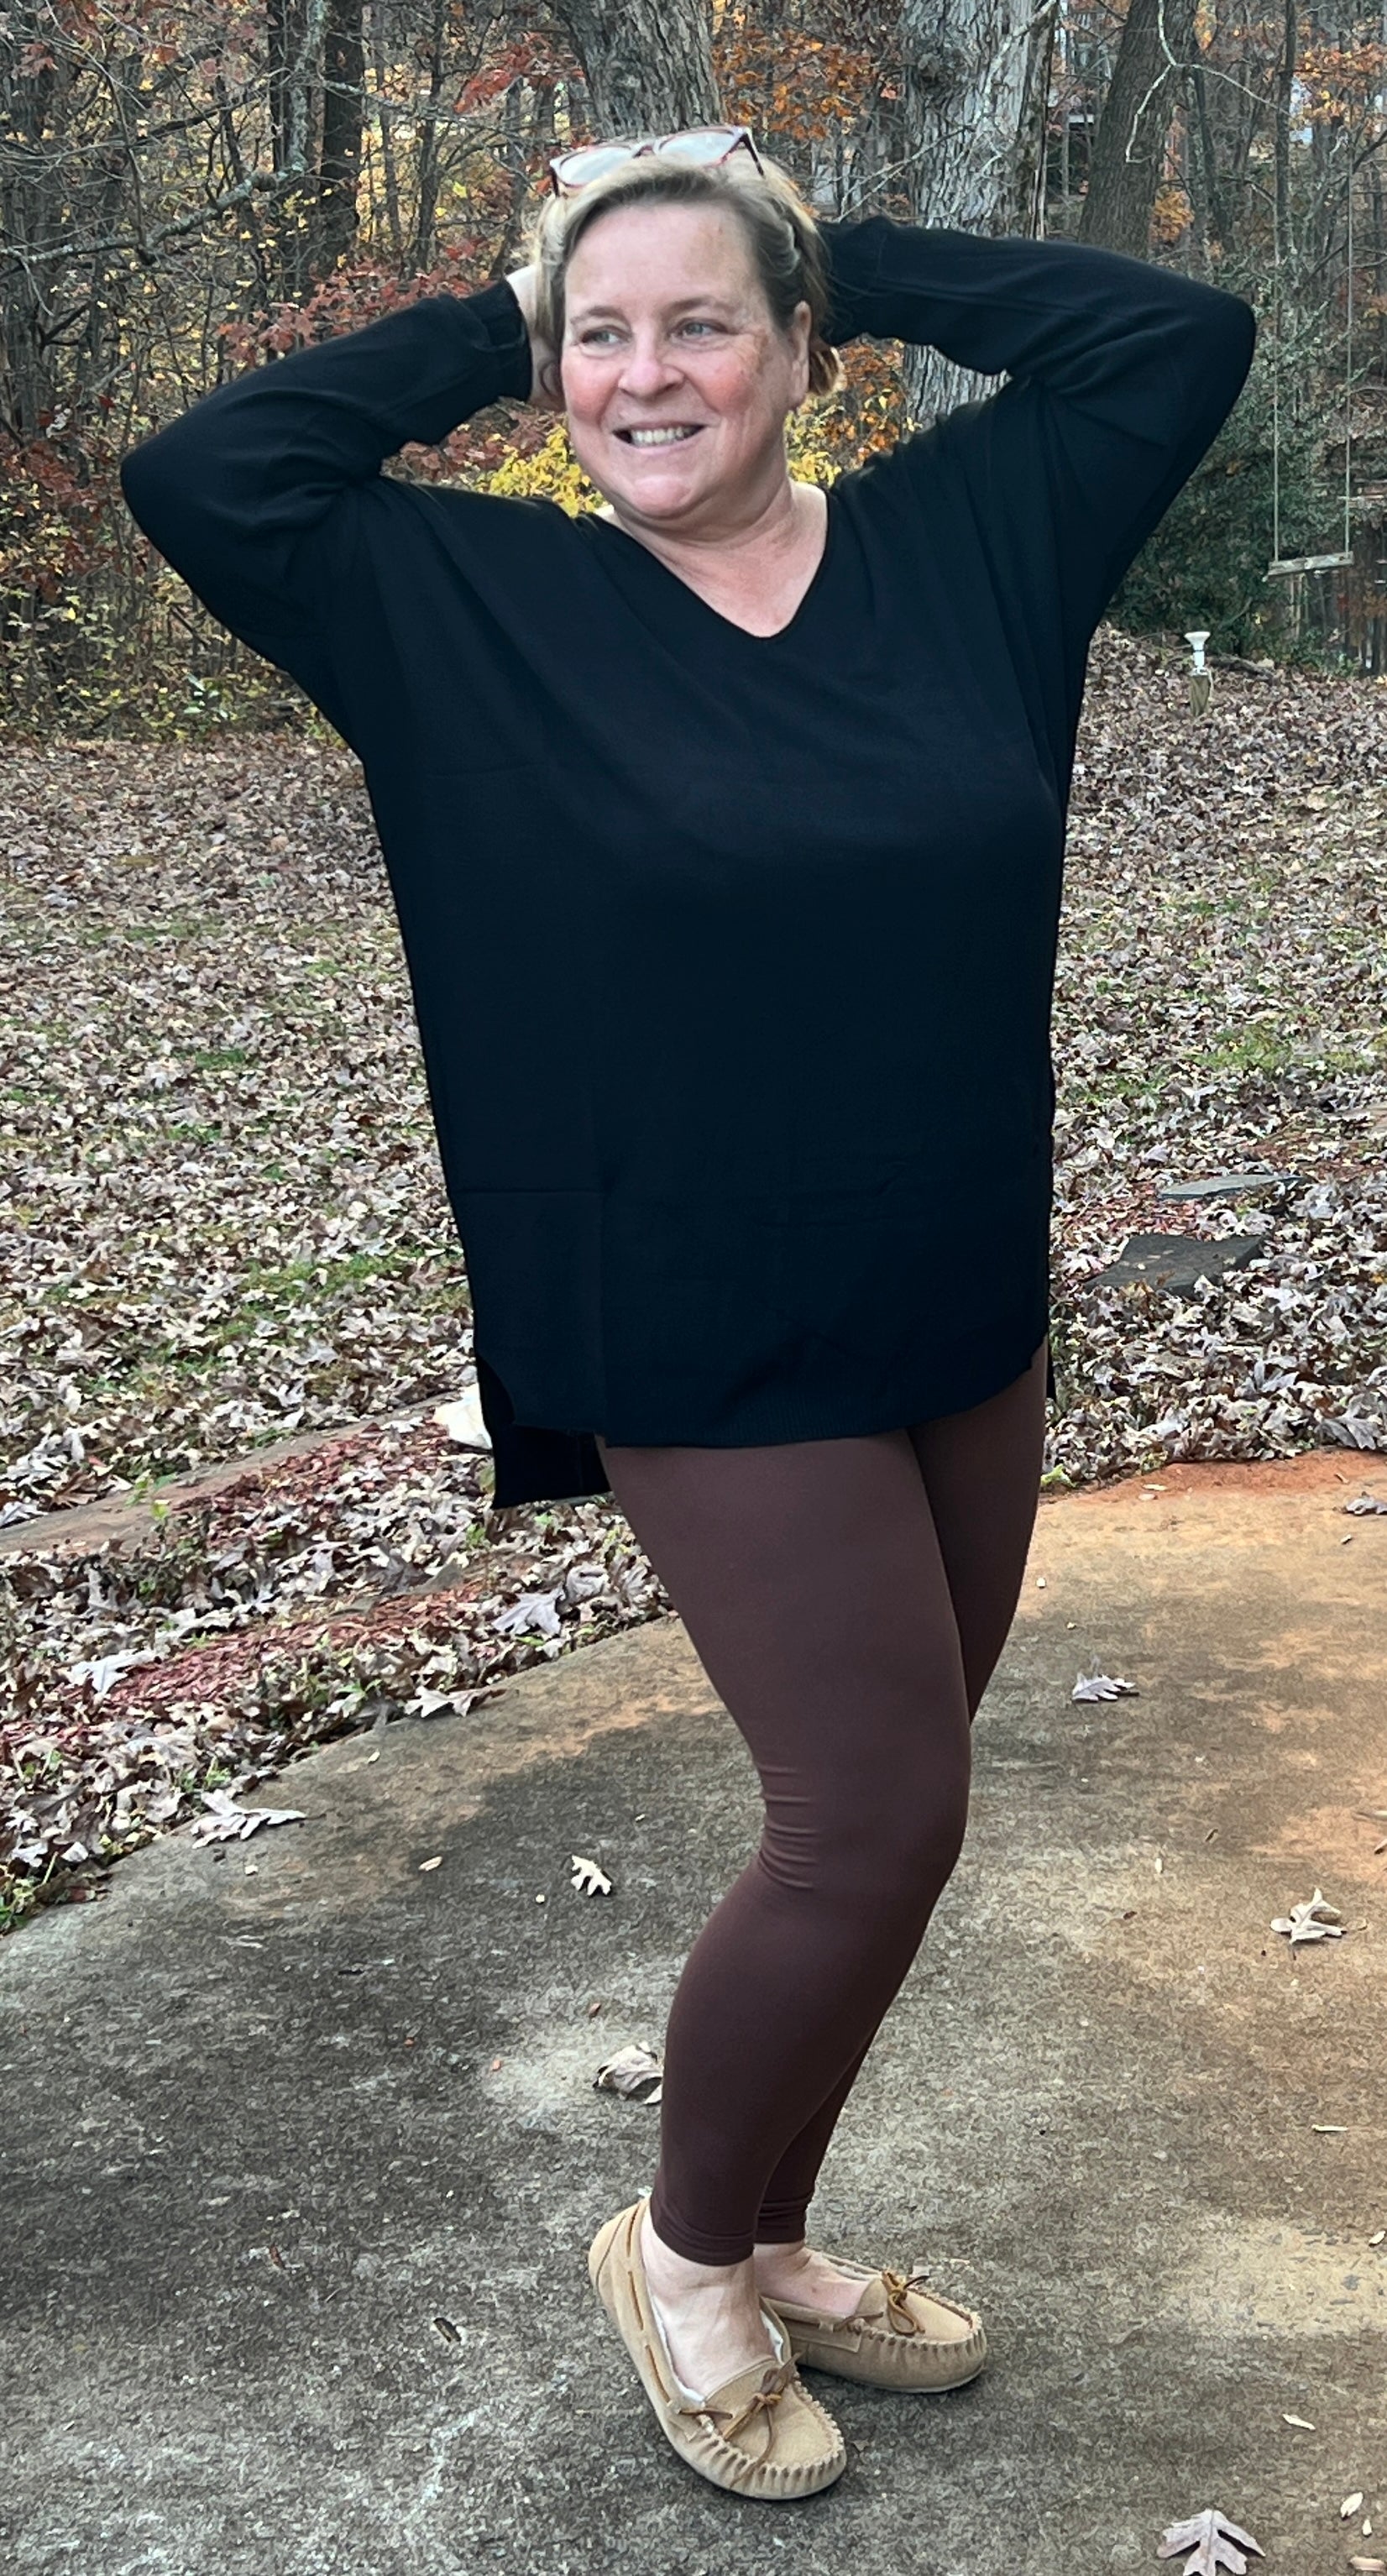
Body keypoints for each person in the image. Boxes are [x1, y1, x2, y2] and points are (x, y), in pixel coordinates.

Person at [119, 127, 1255, 2502]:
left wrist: (823, 233)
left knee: (896, 1820)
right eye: (599, 336)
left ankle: (774, 2227)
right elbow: (204, 468)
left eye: (705, 322)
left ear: (800, 348)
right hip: (684, 1298)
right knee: (868, 1811)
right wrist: (506, 303)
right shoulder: (460, 600)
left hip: (952, 1272)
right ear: (549, 368)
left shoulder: (971, 540)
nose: (647, 375)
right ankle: (682, 2256)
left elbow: (1175, 337)